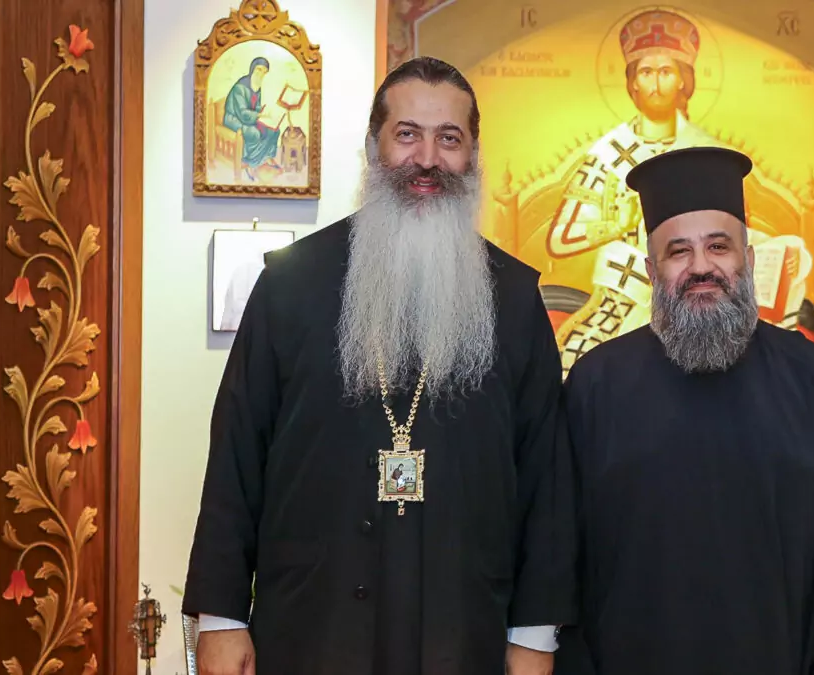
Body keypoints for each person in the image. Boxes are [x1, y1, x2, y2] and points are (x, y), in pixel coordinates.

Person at [183, 56, 577, 675]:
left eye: (449, 139)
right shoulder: (292, 283)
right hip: (311, 629)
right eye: (407, 134)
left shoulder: (515, 298)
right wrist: (222, 620)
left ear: (473, 156)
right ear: (374, 147)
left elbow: (545, 477)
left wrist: (534, 636)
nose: (428, 159)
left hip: (464, 631)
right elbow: (237, 453)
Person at [553, 147, 814, 674]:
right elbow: (561, 565)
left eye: (718, 246)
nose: (702, 267)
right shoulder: (596, 386)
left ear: (748, 258)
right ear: (652, 270)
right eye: (679, 251)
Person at [544, 8, 814, 377]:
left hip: (704, 300)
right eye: (646, 72)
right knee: (582, 360)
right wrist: (614, 225)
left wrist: (788, 253)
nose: (656, 83)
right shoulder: (610, 153)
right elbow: (560, 240)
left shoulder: (709, 151)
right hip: (623, 294)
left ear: (684, 81)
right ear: (632, 82)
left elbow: (735, 234)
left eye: (666, 72)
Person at [224, 56, 282, 179]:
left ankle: (267, 156)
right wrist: (260, 115)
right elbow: (242, 113)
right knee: (254, 133)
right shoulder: (240, 87)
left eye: (265, 72)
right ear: (252, 69)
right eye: (259, 69)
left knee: (274, 130)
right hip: (234, 119)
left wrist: (262, 111)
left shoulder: (256, 85)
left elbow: (256, 106)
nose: (261, 74)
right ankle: (251, 164)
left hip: (249, 118)